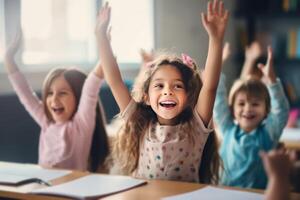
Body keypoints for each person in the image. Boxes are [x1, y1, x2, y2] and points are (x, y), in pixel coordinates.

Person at [95, 0, 229, 183]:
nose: (168, 91)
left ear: (189, 96)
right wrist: (101, 36)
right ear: (146, 97)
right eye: (159, 86)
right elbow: (115, 82)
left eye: (177, 86)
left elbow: (210, 87)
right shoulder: (141, 123)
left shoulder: (195, 127)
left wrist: (216, 39)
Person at [4, 31, 109, 172]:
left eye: (63, 93)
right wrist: (8, 58)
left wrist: (104, 44)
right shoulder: (47, 122)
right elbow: (25, 94)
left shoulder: (81, 126)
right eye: (50, 93)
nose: (54, 99)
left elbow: (91, 86)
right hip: (43, 190)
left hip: (72, 191)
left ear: (78, 98)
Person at [213, 45, 290, 189]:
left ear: (267, 110)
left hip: (258, 195)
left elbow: (281, 111)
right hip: (226, 193)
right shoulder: (227, 129)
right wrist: (218, 64)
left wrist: (273, 81)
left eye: (255, 104)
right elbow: (218, 100)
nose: (247, 108)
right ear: (231, 109)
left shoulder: (269, 133)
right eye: (241, 103)